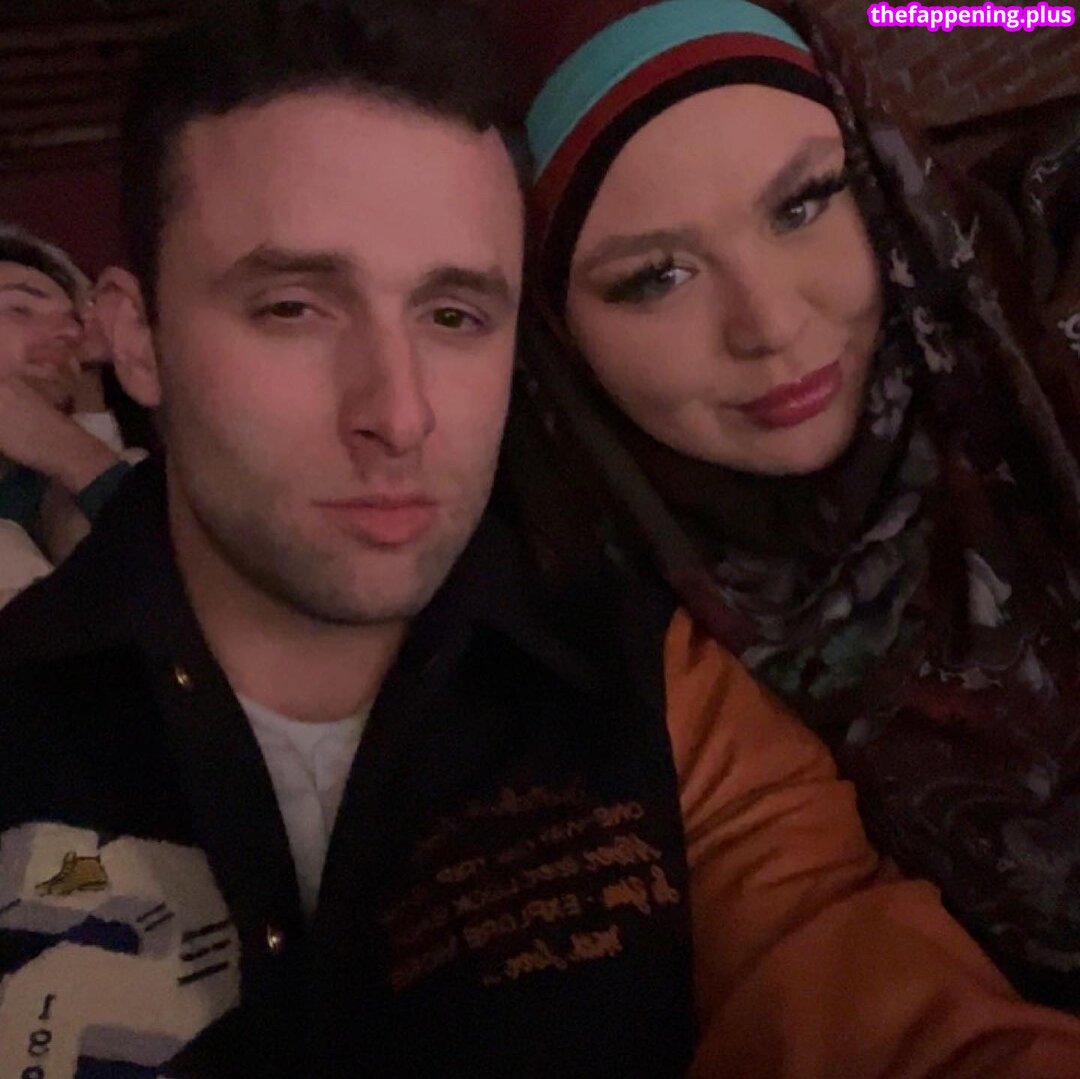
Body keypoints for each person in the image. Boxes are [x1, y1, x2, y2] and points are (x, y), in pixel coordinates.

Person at [4, 2, 1080, 1076]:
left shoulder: (655, 684)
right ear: (135, 339)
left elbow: (850, 969)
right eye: (293, 307)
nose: (400, 412)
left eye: (455, 315)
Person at [495, 0, 1080, 1008]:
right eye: (656, 276)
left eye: (804, 204)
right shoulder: (573, 654)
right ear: (553, 328)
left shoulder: (1042, 363)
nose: (767, 322)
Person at [0, 225, 139, 603]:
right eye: (20, 309)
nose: (70, 332)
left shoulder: (48, 495)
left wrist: (79, 458)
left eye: (72, 320)